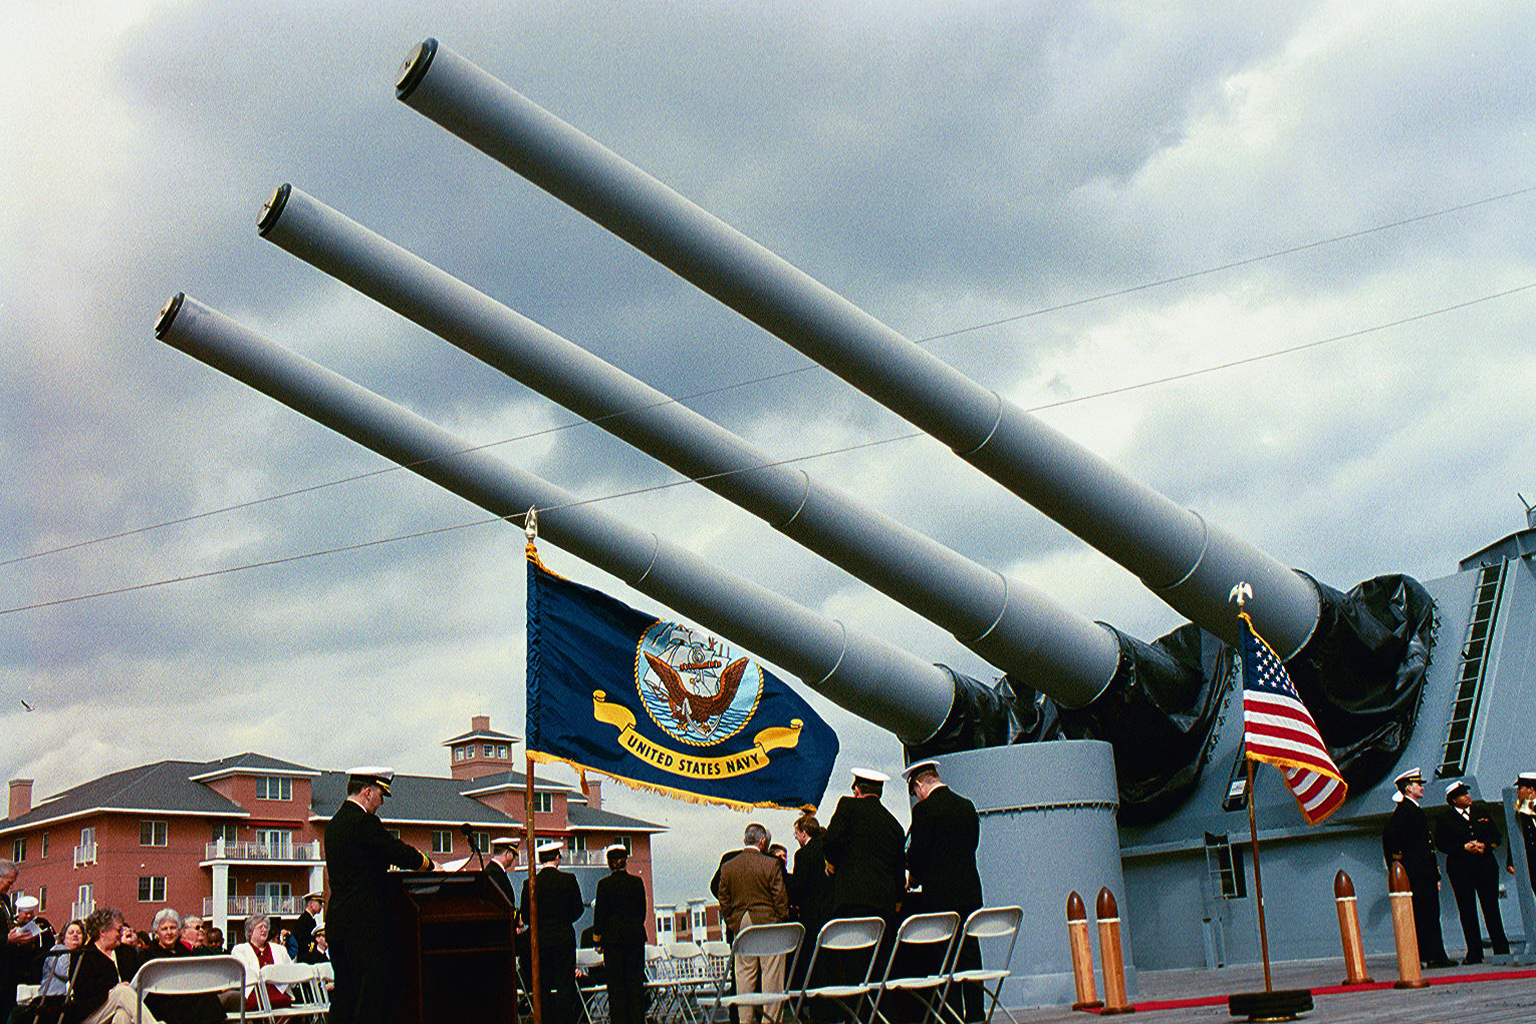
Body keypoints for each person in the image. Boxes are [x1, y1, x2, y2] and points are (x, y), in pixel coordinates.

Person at [324, 766, 434, 1024]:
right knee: (370, 997)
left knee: (345, 996)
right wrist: (428, 864)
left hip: (339, 922)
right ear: (367, 792)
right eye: (380, 795)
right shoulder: (363, 822)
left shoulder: (334, 824)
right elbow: (394, 850)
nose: (381, 802)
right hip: (365, 926)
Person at [904, 760, 983, 1021]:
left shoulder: (924, 810)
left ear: (919, 785)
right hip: (969, 894)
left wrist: (913, 877)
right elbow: (972, 845)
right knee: (970, 957)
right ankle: (976, 1014)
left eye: (914, 792)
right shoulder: (967, 806)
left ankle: (952, 1016)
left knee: (945, 959)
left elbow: (918, 854)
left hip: (940, 898)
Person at [1382, 767, 1454, 968]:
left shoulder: (1412, 811)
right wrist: (1405, 874)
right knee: (1425, 915)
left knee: (1429, 914)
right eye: (1418, 784)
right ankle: (1432, 956)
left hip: (1424, 875)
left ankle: (1432, 955)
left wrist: (1435, 876)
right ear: (1408, 788)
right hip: (1417, 875)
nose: (1422, 787)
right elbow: (1397, 845)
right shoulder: (1405, 813)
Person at [718, 823, 790, 1024]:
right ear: (763, 842)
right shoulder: (771, 864)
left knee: (743, 975)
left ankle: (745, 1020)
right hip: (768, 922)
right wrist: (781, 919)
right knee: (772, 975)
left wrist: (732, 921)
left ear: (744, 841)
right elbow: (780, 897)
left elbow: (723, 898)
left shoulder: (728, 866)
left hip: (742, 923)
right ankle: (771, 1020)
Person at [1436, 781, 1509, 964]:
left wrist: (1485, 846)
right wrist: (1463, 847)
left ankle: (1501, 949)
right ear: (1454, 800)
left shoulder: (1481, 812)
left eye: (1467, 793)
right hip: (1461, 870)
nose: (1468, 796)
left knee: (1491, 907)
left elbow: (1496, 836)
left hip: (1485, 867)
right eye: (1462, 794)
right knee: (1467, 910)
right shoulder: (1445, 818)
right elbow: (1441, 843)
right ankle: (1474, 952)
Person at [822, 769, 905, 921]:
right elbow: (899, 871)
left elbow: (831, 840)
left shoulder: (847, 806)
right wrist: (897, 902)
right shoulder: (895, 826)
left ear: (857, 790)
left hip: (850, 900)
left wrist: (831, 867)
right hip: (883, 906)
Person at [519, 841, 584, 1024]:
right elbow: (578, 909)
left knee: (543, 988)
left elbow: (526, 915)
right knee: (565, 987)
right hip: (563, 939)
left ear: (540, 860)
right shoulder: (568, 880)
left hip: (540, 941)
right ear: (557, 858)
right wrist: (563, 921)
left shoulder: (529, 883)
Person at [60, 907, 158, 1024]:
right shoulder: (82, 955)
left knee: (122, 1015)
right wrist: (112, 990)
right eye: (118, 930)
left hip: (120, 1008)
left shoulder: (127, 952)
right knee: (122, 991)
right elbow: (83, 993)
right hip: (91, 1014)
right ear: (103, 932)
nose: (121, 934)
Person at [137, 908, 224, 1024]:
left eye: (173, 928)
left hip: (185, 995)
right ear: (157, 933)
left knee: (208, 998)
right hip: (161, 1001)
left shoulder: (185, 952)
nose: (169, 932)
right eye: (164, 929)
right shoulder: (147, 955)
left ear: (178, 931)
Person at [592, 844, 647, 1024]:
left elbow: (600, 915)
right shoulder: (637, 883)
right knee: (635, 986)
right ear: (625, 862)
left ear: (609, 863)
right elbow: (642, 912)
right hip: (635, 939)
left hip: (613, 941)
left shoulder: (604, 885)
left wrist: (597, 939)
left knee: (616, 988)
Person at [788, 811, 833, 983]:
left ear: (804, 833)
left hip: (811, 915)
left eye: (796, 833)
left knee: (813, 962)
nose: (796, 837)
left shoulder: (803, 855)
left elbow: (798, 887)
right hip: (831, 911)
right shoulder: (828, 850)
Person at [230, 913, 293, 1013]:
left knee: (284, 1001)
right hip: (255, 991)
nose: (264, 930)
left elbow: (290, 971)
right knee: (256, 1003)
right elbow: (246, 975)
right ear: (251, 931)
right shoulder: (240, 950)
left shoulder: (279, 949)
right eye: (260, 927)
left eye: (266, 927)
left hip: (278, 990)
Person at [36, 919, 85, 1024]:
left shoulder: (83, 954)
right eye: (71, 932)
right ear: (64, 937)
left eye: (79, 933)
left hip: (71, 1003)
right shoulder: (59, 950)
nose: (75, 935)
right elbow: (64, 972)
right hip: (52, 1001)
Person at [1507, 772, 1536, 889]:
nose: (1517, 792)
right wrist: (1511, 860)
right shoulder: (1521, 811)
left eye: (1520, 788)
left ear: (1530, 789)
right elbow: (1514, 835)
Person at [2, 860, 19, 1023]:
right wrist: (6, 939)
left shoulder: (5, 901)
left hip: (8, 971)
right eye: (9, 882)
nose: (11, 887)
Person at [485, 837, 521, 914]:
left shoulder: (492, 870)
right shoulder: (495, 873)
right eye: (513, 855)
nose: (513, 859)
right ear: (507, 853)